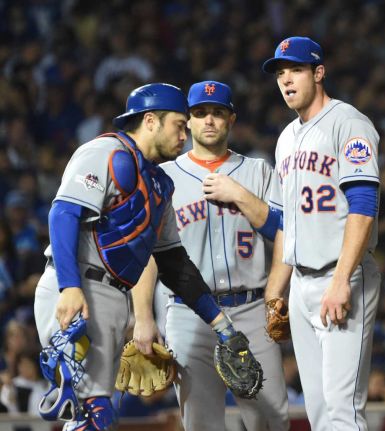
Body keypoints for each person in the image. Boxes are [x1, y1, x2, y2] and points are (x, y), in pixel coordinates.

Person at [34, 83, 259, 430]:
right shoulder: (106, 151)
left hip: (112, 296)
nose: (185, 133)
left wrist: (220, 324)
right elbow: (63, 213)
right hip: (77, 286)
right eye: (179, 124)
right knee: (91, 417)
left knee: (95, 416)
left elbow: (173, 263)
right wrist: (69, 287)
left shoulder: (159, 184)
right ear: (151, 120)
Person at [131, 80, 289, 430]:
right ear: (187, 120)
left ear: (231, 119)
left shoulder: (257, 171)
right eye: (200, 113)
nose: (209, 121)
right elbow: (147, 255)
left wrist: (240, 195)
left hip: (252, 309)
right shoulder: (164, 175)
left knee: (273, 419)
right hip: (189, 316)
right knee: (200, 423)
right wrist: (142, 316)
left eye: (218, 113)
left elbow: (283, 231)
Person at [262, 36, 382, 430]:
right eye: (280, 73)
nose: (286, 80)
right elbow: (286, 222)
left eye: (295, 70)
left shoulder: (349, 122)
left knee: (343, 409)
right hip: (300, 282)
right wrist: (277, 288)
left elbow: (364, 206)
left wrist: (342, 280)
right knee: (318, 412)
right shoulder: (285, 138)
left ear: (318, 72)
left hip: (339, 276)